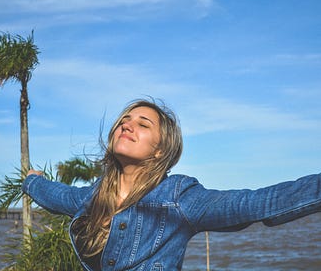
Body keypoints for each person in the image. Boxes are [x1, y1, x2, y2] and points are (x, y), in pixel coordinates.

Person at [22, 98, 321, 271]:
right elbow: (57, 194)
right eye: (125, 120)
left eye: (143, 124)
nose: (127, 124)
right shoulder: (92, 197)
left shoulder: (179, 199)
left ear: (160, 150)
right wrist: (32, 181)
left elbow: (257, 203)